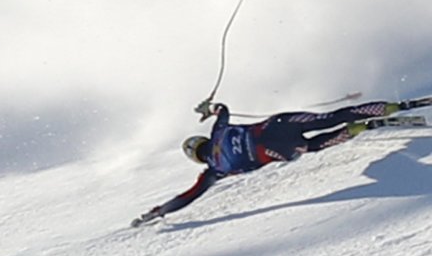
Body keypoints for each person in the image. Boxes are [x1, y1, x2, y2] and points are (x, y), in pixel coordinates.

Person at [131, 96, 432, 227]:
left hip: (285, 149)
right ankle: (400, 106)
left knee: (313, 146)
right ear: (202, 141)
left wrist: (158, 212)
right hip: (279, 124)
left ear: (197, 158)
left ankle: (360, 130)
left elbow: (188, 197)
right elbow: (223, 109)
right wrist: (208, 108)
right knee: (331, 116)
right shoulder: (218, 130)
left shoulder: (214, 172)